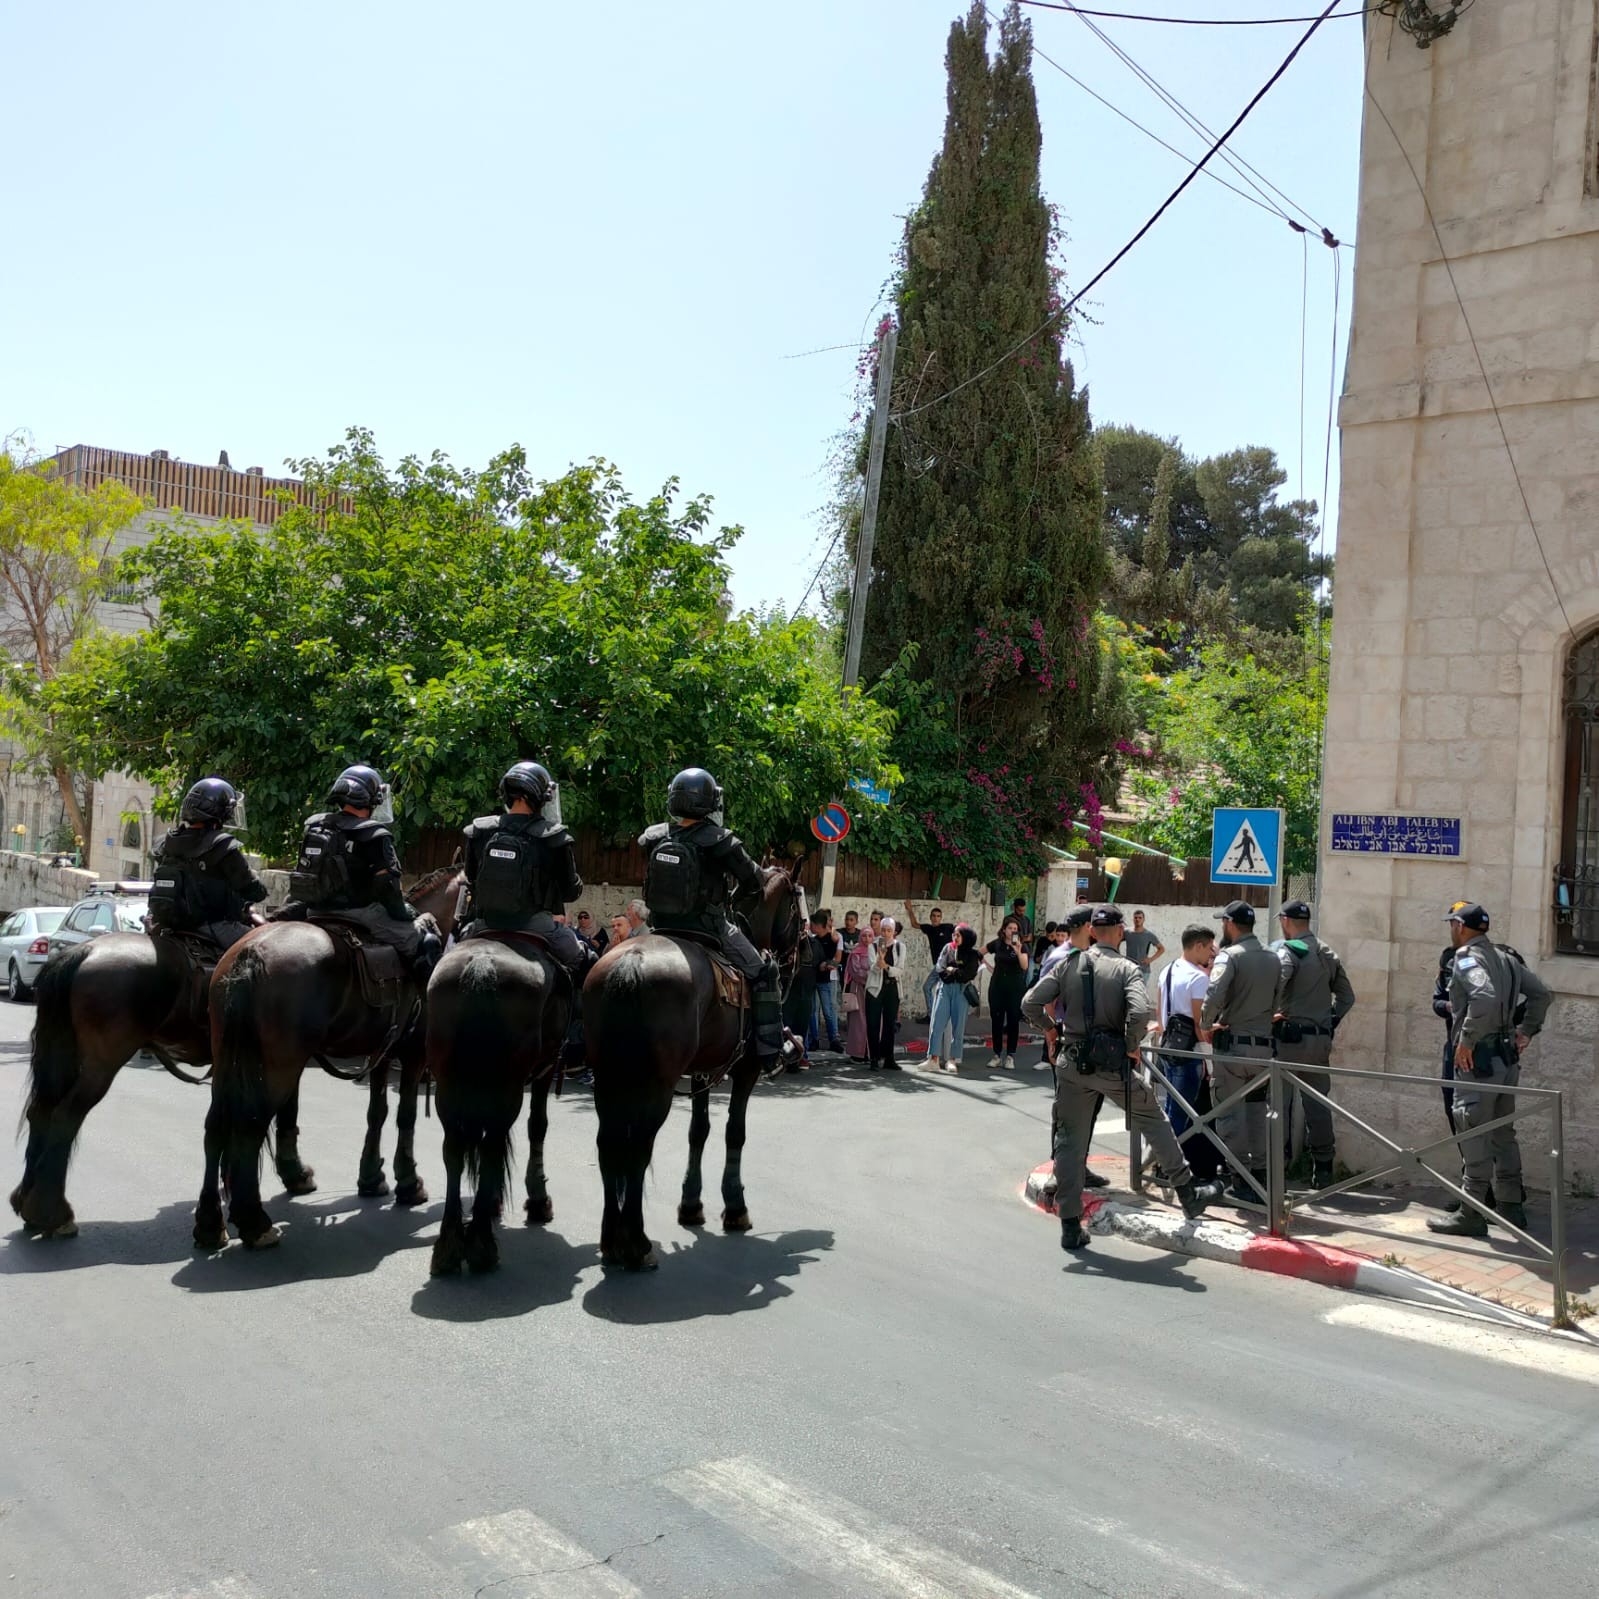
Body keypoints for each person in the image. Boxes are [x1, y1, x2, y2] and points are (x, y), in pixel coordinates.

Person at [1022, 905, 1224, 1250]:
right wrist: (1131, 1045)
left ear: (1091, 931)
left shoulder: (1069, 963)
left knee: (1070, 1140)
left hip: (1072, 1062)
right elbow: (1140, 1011)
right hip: (1112, 1065)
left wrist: (1051, 1031)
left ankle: (1070, 1225)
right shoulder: (1127, 969)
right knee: (1155, 1121)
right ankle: (1188, 1192)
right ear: (1118, 931)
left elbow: (1030, 1003)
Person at [638, 766, 783, 1065]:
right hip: (710, 928)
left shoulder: (654, 837)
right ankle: (769, 1049)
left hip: (660, 927)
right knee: (763, 972)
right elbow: (755, 882)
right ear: (710, 802)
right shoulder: (720, 840)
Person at [1428, 902, 1551, 1237]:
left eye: (1451, 924)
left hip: (1477, 1061)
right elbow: (1541, 994)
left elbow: (1483, 996)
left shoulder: (1466, 958)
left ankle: (1471, 1212)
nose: (1450, 930)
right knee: (1503, 1135)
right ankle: (1511, 1208)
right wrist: (1525, 1031)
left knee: (1472, 1132)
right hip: (1506, 1059)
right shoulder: (1507, 958)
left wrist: (1465, 1041)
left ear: (1459, 926)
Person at [284, 764, 441, 979]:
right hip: (361, 914)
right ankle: (422, 1008)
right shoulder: (374, 833)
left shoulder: (315, 825)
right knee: (428, 942)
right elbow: (389, 889)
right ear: (371, 800)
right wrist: (406, 913)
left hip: (314, 911)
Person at [460, 762, 585, 966]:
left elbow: (471, 878)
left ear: (506, 794)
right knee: (584, 961)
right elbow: (569, 892)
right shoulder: (553, 836)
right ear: (541, 798)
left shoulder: (480, 831)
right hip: (537, 925)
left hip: (485, 923)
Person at [1201, 899, 1283, 1203]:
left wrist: (1206, 1023)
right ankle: (1261, 1174)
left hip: (1233, 1050)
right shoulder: (1273, 957)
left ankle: (1241, 1177)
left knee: (1229, 1116)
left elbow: (1215, 994)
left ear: (1230, 924)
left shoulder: (1229, 957)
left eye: (1223, 922)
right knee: (1257, 1113)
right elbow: (1277, 1001)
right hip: (1263, 1050)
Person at [1271, 899, 1356, 1189]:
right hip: (1319, 1041)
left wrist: (1269, 1014)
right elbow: (1347, 998)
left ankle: (1274, 1171)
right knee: (1318, 1106)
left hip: (1288, 1041)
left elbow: (1278, 984)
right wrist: (1329, 1022)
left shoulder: (1289, 951)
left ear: (1285, 921)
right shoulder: (1326, 952)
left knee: (1277, 1105)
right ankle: (1323, 1169)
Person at [147, 776, 267, 953]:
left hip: (165, 925)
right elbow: (254, 890)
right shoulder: (222, 846)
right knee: (266, 950)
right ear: (220, 813)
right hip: (214, 927)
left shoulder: (165, 843)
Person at [1153, 924, 1216, 1145]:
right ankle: (1172, 1166)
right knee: (1181, 1113)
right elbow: (1200, 1024)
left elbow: (1160, 1015)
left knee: (1170, 1108)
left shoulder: (1167, 970)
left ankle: (1162, 1162)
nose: (1211, 953)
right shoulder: (1199, 978)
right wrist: (1209, 1061)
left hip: (1167, 1047)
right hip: (1189, 1054)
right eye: (1209, 948)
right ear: (1198, 946)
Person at [926, 923, 981, 1073]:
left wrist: (953, 970)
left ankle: (952, 1059)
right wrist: (952, 973)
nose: (955, 938)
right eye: (954, 934)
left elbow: (967, 974)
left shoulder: (972, 954)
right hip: (945, 988)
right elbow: (940, 967)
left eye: (958, 935)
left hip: (961, 992)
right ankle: (933, 1058)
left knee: (958, 1027)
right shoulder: (948, 948)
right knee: (937, 1023)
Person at [985, 914, 1030, 1069]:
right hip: (997, 987)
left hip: (1015, 988)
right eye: (1010, 928)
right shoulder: (997, 944)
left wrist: (1017, 951)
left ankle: (1010, 1055)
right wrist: (987, 966)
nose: (1012, 931)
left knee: (1012, 1022)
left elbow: (1024, 966)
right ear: (1004, 930)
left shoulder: (1021, 946)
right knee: (996, 1021)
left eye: (1015, 929)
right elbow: (980, 952)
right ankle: (997, 1054)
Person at [864, 915, 905, 1070]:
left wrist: (886, 966)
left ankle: (889, 1058)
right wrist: (878, 963)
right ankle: (874, 1058)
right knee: (872, 1024)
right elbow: (872, 968)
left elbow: (899, 970)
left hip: (892, 988)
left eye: (889, 930)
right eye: (883, 930)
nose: (886, 933)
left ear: (893, 932)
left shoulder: (900, 947)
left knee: (890, 1024)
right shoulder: (873, 946)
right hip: (875, 989)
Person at [903, 900, 955, 1017]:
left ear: (941, 918)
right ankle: (936, 1015)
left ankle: (932, 1015)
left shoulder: (947, 927)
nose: (936, 918)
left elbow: (961, 932)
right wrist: (910, 910)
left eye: (938, 916)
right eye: (934, 916)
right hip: (939, 965)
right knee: (935, 989)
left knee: (928, 987)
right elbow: (914, 924)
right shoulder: (929, 929)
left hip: (946, 965)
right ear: (930, 918)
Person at [807, 908, 843, 1053]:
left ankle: (833, 1039)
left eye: (813, 924)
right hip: (813, 979)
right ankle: (814, 1040)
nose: (811, 927)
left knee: (828, 1011)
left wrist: (827, 965)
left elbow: (836, 960)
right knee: (812, 1011)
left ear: (819, 925)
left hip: (826, 980)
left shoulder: (832, 939)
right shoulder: (812, 940)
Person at [843, 927, 871, 1061]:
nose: (867, 939)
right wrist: (870, 978)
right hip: (858, 989)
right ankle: (857, 1053)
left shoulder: (875, 953)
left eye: (870, 936)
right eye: (864, 936)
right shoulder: (855, 953)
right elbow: (855, 971)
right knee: (858, 1021)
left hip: (872, 990)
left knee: (873, 1020)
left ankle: (869, 1052)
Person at [1122, 910, 1165, 978]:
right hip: (1129, 969)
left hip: (1143, 970)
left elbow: (1161, 949)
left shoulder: (1148, 935)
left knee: (1141, 989)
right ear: (1133, 919)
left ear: (1143, 919)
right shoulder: (1127, 932)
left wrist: (1150, 959)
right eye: (1135, 918)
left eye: (1140, 918)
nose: (1137, 920)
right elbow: (1116, 940)